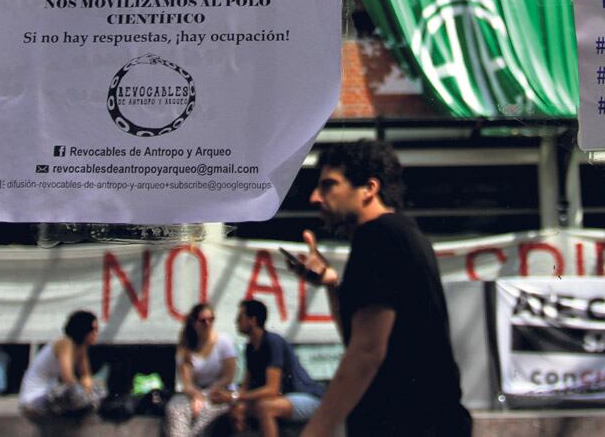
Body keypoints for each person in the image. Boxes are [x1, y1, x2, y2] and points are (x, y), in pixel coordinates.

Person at [289, 140, 471, 437]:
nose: (314, 197)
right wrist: (332, 284)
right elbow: (359, 337)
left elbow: (366, 351)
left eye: (328, 186)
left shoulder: (377, 236)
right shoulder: (401, 234)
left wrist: (316, 431)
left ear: (369, 188)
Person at [210, 299, 323, 437]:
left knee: (264, 407)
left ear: (252, 320)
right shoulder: (250, 348)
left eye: (240, 317)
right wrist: (235, 402)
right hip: (282, 399)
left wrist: (233, 397)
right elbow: (245, 387)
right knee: (237, 409)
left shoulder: (272, 342)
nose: (236, 321)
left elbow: (271, 389)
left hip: (307, 397)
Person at [164, 302, 237, 437]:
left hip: (219, 391)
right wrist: (197, 396)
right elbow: (187, 383)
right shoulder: (185, 347)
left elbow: (228, 376)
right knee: (175, 408)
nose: (208, 324)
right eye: (203, 321)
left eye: (211, 320)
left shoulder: (223, 341)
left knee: (206, 412)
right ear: (194, 323)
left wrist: (206, 395)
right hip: (195, 392)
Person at [18, 310, 102, 424]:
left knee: (98, 392)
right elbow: (67, 377)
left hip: (50, 395)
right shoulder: (65, 343)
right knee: (73, 392)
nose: (96, 334)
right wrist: (84, 394)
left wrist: (89, 391)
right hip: (34, 398)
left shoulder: (81, 347)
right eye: (93, 330)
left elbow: (85, 375)